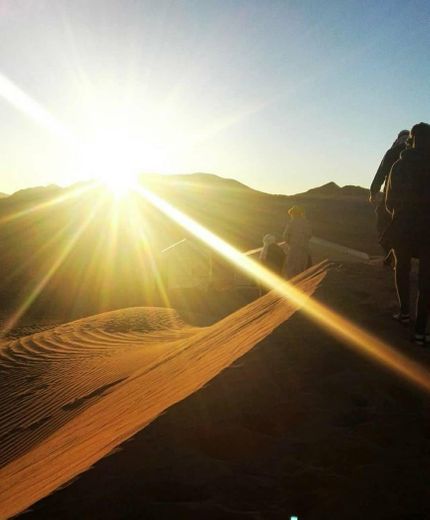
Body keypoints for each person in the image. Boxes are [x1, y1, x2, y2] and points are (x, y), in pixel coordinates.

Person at [385, 122, 430, 345]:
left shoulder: (399, 166)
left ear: (411, 140)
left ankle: (404, 314)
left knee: (402, 267)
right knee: (427, 280)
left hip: (403, 227)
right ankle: (421, 331)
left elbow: (389, 202)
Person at [370, 129, 409, 262]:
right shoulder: (421, 154)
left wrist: (373, 191)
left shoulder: (393, 151)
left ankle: (391, 252)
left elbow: (381, 171)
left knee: (383, 222)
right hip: (415, 200)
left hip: (391, 197)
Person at [283, 205, 312, 279]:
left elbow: (285, 236)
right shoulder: (306, 222)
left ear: (293, 214)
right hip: (304, 248)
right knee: (302, 265)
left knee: (291, 267)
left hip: (294, 248)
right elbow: (309, 235)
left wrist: (289, 243)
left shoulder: (291, 223)